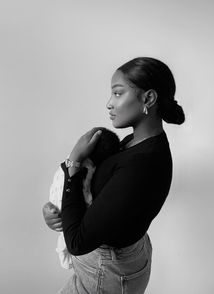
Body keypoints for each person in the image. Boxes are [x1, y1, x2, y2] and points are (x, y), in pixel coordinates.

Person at [42, 56, 185, 294]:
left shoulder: (142, 163)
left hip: (107, 271)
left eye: (118, 93)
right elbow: (105, 198)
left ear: (148, 98)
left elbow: (77, 242)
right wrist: (58, 211)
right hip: (111, 264)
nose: (109, 103)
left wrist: (73, 162)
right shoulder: (136, 142)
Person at [47, 128, 120, 269]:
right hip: (68, 218)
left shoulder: (73, 160)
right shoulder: (85, 168)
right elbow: (86, 198)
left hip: (70, 223)